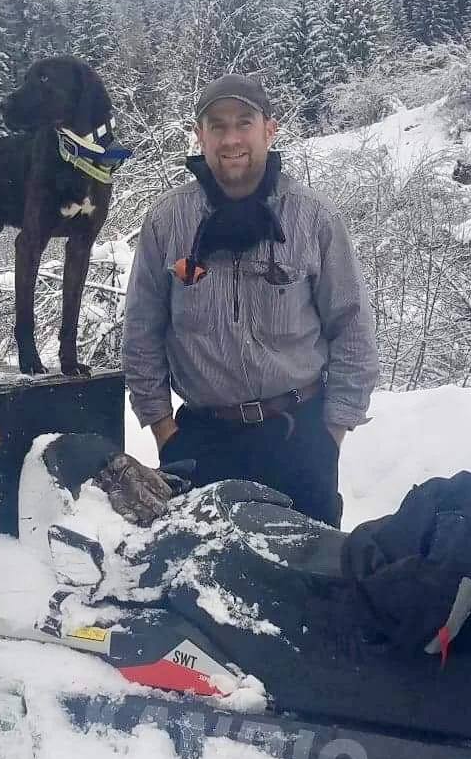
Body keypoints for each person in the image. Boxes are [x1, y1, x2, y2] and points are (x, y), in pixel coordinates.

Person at [122, 75, 378, 526]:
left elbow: (352, 327)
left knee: (311, 587)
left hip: (300, 434)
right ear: (199, 135)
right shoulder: (166, 222)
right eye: (217, 126)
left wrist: (331, 434)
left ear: (270, 129)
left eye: (244, 122)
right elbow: (142, 331)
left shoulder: (314, 218)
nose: (231, 138)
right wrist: (165, 431)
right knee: (204, 586)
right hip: (201, 441)